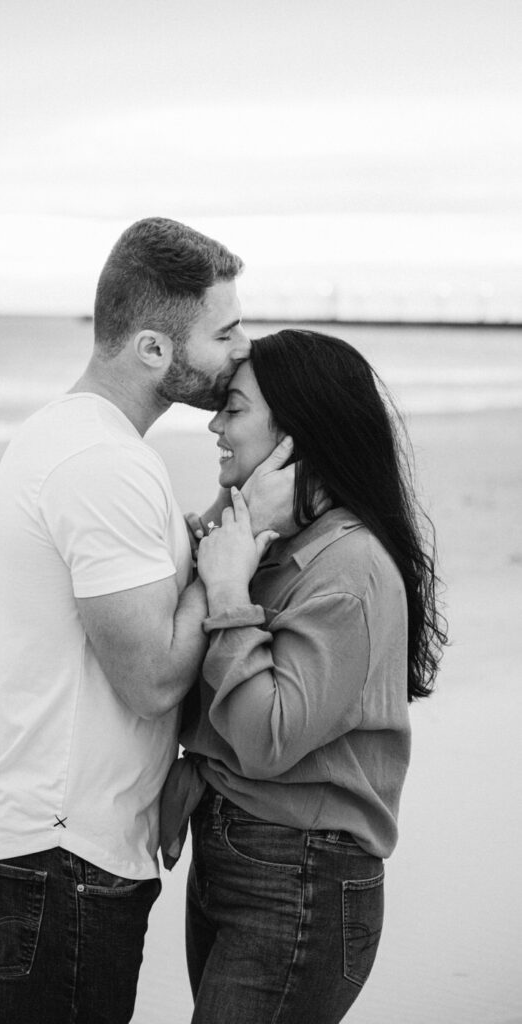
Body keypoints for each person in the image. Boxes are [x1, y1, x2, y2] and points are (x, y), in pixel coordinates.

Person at [0, 217, 293, 1024]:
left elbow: (151, 602)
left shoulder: (73, 438)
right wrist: (238, 556)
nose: (242, 349)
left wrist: (233, 515)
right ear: (152, 349)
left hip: (49, 845)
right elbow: (150, 679)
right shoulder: (104, 465)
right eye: (225, 331)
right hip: (63, 853)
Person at [161, 328, 448, 1024]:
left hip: (300, 877)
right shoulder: (277, 545)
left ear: (295, 435)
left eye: (233, 409)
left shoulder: (348, 570)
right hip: (244, 860)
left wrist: (230, 595)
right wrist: (230, 524)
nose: (214, 425)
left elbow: (266, 737)